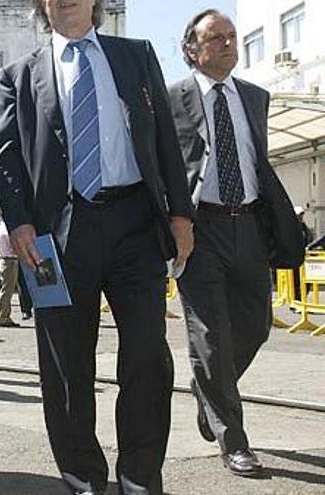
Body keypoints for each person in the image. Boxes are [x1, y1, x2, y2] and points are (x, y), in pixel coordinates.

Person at [0, 1, 195, 493]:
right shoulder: (20, 74)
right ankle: (83, 478)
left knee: (147, 355)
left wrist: (181, 213)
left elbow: (166, 138)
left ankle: (140, 477)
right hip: (55, 239)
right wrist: (19, 222)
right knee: (65, 367)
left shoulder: (135, 55)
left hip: (135, 225)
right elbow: (6, 157)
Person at [169, 9, 305, 478]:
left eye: (232, 37)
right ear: (192, 49)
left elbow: (257, 164)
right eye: (216, 38)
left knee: (255, 326)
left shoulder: (255, 97)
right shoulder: (171, 99)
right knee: (210, 337)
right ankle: (234, 440)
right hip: (198, 229)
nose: (228, 44)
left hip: (247, 225)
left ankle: (209, 394)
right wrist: (173, 222)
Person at [0, 220, 20, 327]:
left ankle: (4, 315)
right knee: (7, 290)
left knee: (6, 289)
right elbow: (14, 245)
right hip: (9, 260)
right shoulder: (7, 230)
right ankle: (2, 317)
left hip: (3, 259)